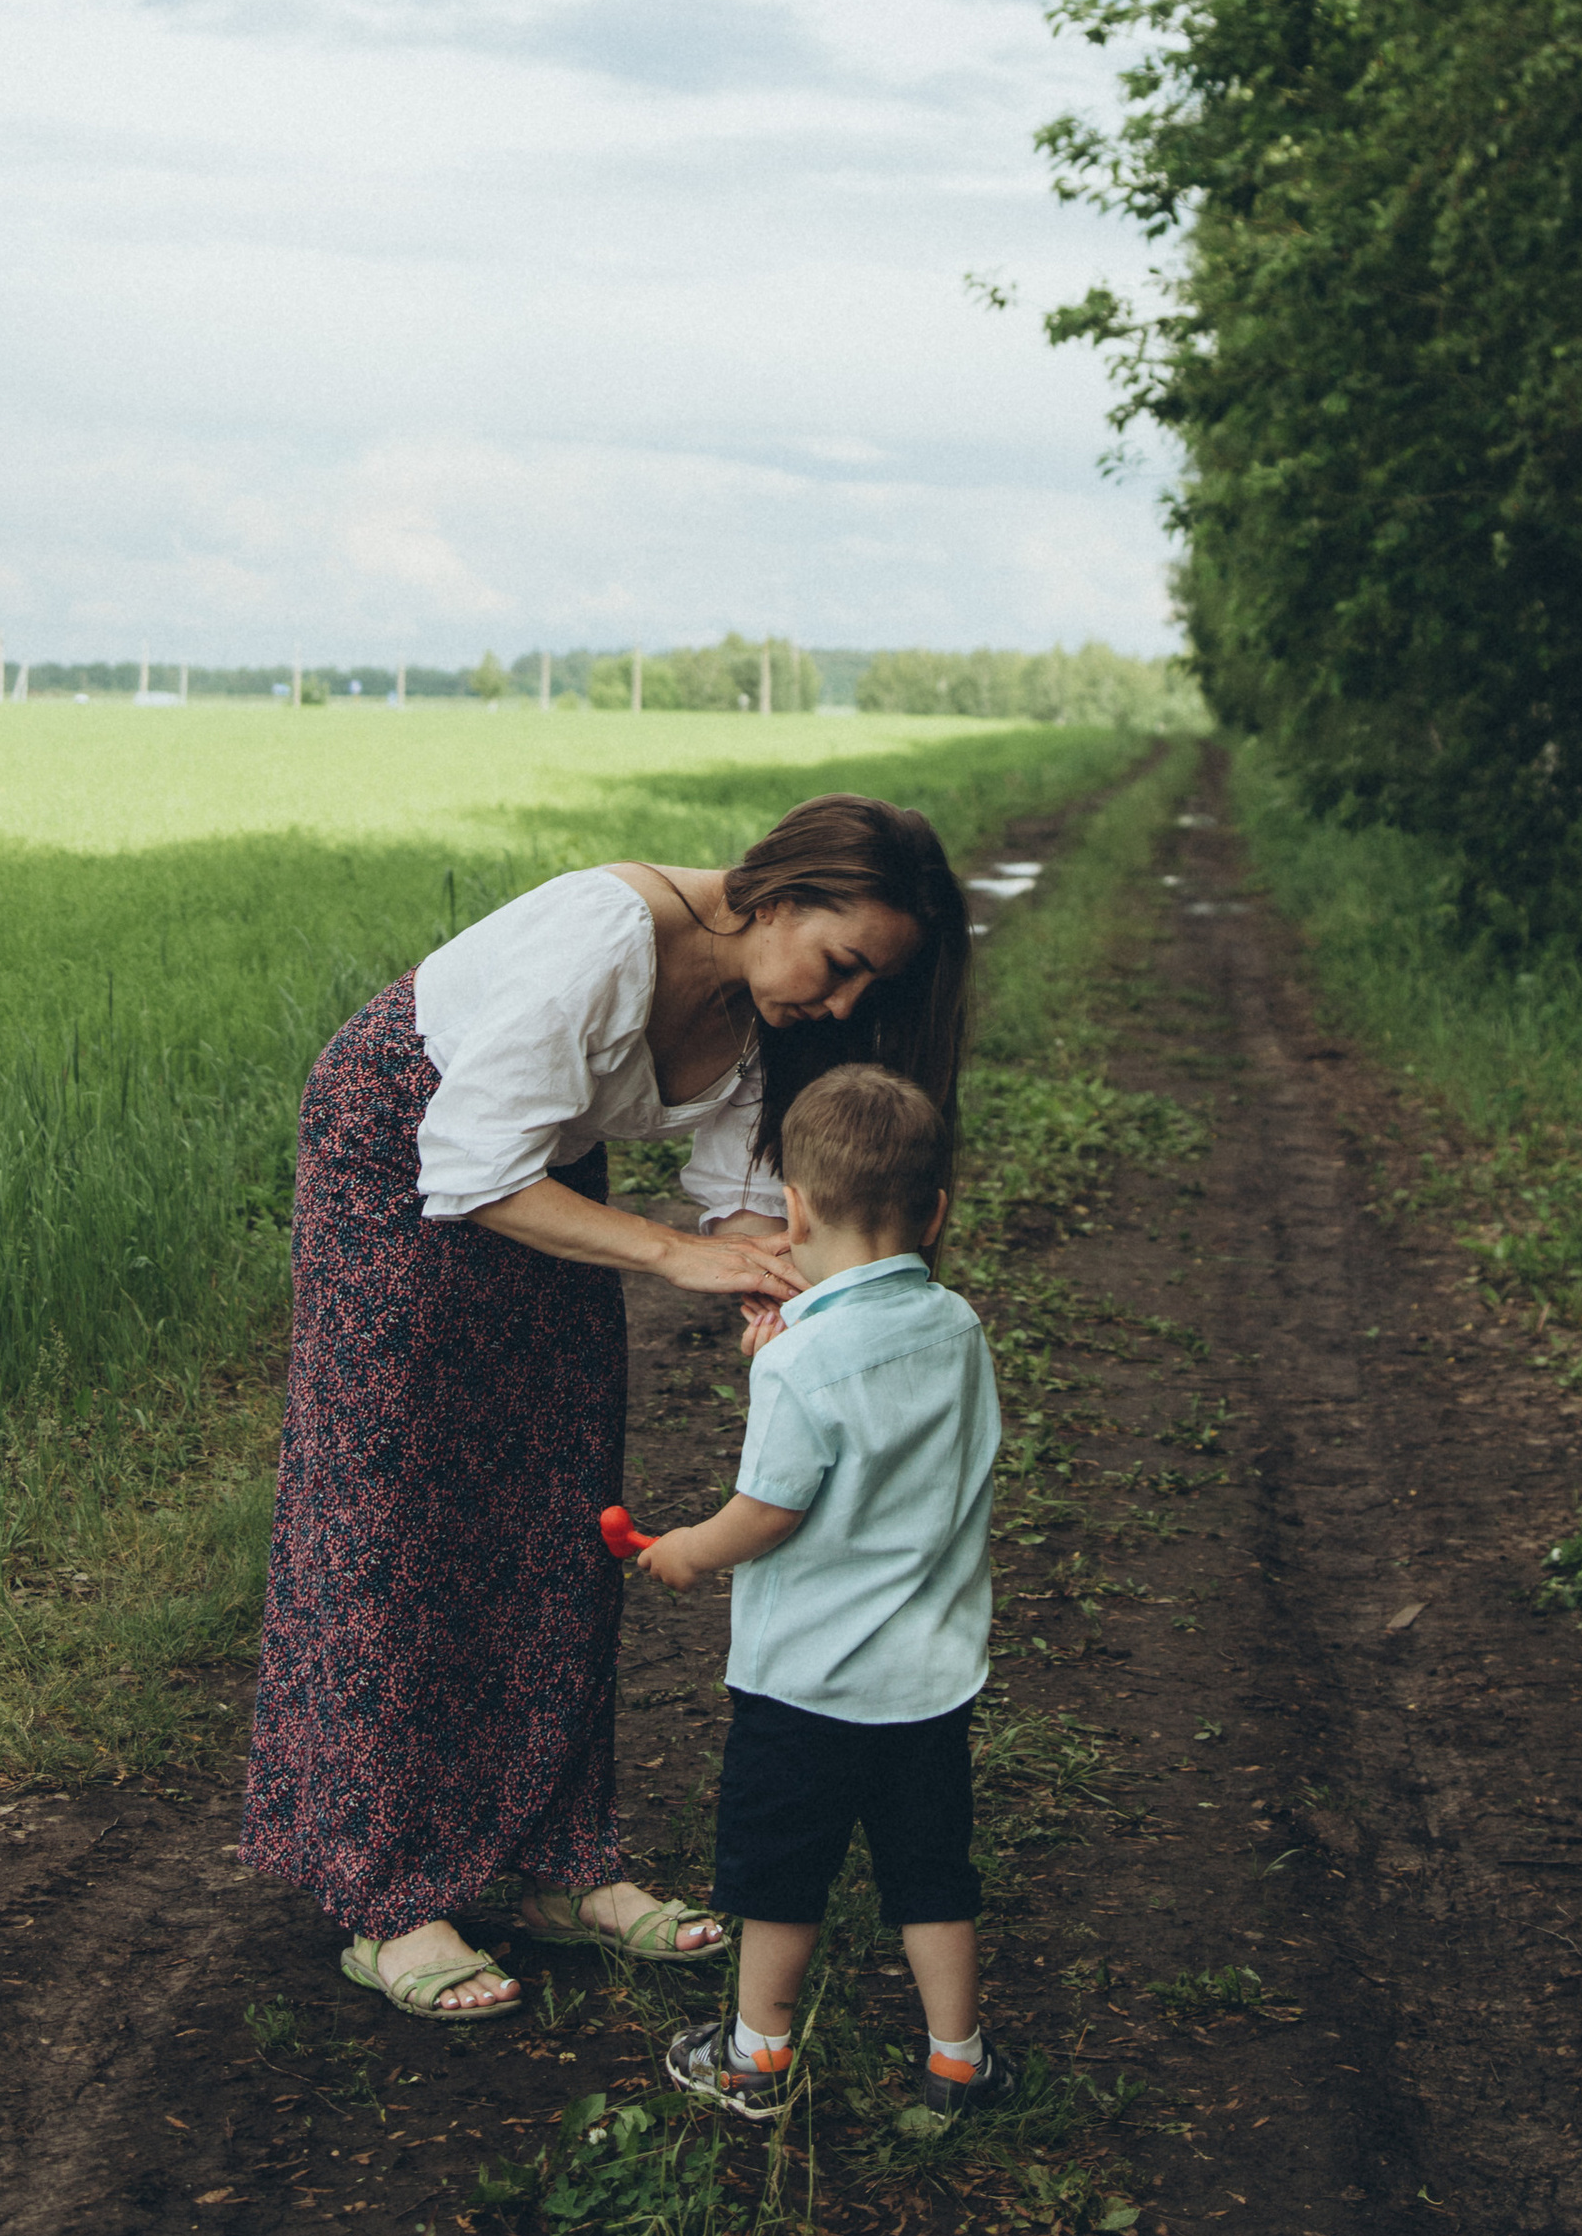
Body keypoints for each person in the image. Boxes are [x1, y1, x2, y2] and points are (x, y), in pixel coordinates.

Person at [239, 796, 974, 2021]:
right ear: (778, 895)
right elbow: (470, 1166)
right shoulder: (604, 938)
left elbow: (737, 1205)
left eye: (867, 989)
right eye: (841, 965)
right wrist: (675, 1260)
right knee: (395, 1510)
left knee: (556, 1491)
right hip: (404, 1154)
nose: (843, 1006)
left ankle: (550, 1858)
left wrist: (795, 1296)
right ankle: (384, 1893)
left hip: (538, 1171)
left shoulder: (756, 1010)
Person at [642, 1062, 1014, 2124]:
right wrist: (782, 1359)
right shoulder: (957, 1328)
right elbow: (889, 1434)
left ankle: (757, 2058)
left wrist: (689, 1552)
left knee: (779, 1875)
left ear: (792, 1208)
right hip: (929, 1681)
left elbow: (772, 1507)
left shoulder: (799, 1367)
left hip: (804, 1682)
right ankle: (957, 2060)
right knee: (932, 1874)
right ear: (935, 1211)